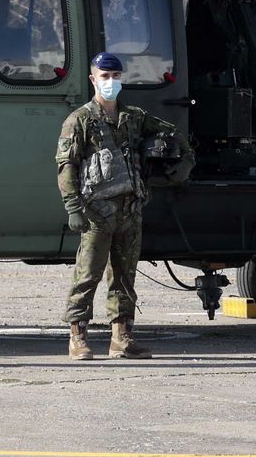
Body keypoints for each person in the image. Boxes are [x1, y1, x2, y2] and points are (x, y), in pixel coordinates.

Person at [57, 52, 194, 361]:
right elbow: (66, 165)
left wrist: (182, 165)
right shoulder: (80, 120)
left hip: (129, 210)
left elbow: (174, 135)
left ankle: (122, 337)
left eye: (116, 76)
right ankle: (77, 336)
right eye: (104, 76)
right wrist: (73, 207)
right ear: (93, 79)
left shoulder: (133, 117)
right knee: (87, 275)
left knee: (124, 276)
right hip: (97, 212)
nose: (111, 82)